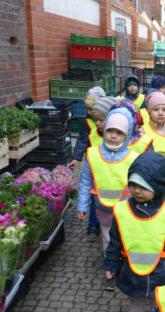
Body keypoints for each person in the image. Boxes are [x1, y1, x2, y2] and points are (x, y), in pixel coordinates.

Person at [103, 151, 165, 312]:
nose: (137, 191)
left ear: (158, 185)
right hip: (131, 270)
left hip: (162, 271)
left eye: (144, 187)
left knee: (161, 302)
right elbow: (115, 241)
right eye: (133, 184)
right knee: (135, 301)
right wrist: (110, 265)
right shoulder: (121, 210)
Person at [76, 107, 138, 290]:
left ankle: (127, 267)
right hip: (103, 208)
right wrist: (82, 205)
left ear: (126, 135)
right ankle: (110, 269)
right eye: (110, 130)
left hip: (127, 210)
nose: (113, 136)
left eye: (119, 133)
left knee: (128, 239)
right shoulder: (93, 154)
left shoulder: (133, 157)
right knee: (107, 240)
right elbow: (86, 181)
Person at [68, 88, 115, 242]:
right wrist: (76, 157)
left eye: (91, 109)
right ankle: (93, 225)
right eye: (87, 109)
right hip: (94, 163)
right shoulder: (88, 123)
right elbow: (81, 141)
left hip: (111, 162)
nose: (89, 112)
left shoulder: (113, 125)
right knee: (95, 194)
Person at [141, 91, 165, 155]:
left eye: (164, 110)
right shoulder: (142, 132)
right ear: (149, 112)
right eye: (156, 109)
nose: (160, 113)